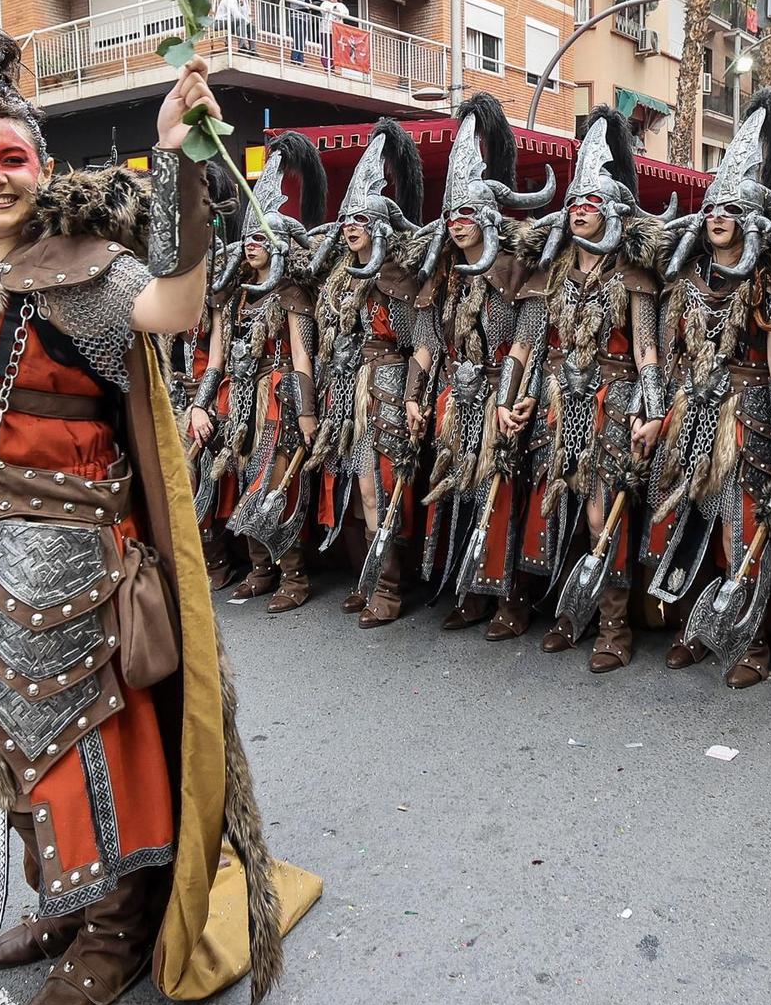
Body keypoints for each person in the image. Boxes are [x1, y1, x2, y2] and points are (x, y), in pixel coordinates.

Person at [0, 24, 306, 1005]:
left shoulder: (88, 269)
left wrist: (178, 165)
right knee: (3, 747)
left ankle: (115, 930)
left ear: (42, 167)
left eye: (11, 159)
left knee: (88, 748)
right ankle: (62, 908)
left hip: (82, 561)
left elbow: (177, 306)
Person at [644, 90, 771, 687]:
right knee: (695, 515)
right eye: (712, 207)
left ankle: (752, 643)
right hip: (696, 406)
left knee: (746, 523)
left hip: (752, 417)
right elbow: (669, 354)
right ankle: (697, 625)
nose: (717, 217)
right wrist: (655, 411)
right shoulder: (691, 275)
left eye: (730, 209)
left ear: (750, 219)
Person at [503, 107, 670, 669]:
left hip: (613, 405)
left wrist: (653, 411)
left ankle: (613, 627)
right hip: (556, 401)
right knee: (559, 505)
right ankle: (569, 612)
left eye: (592, 203)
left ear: (613, 210)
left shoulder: (632, 274)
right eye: (574, 203)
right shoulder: (549, 273)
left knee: (603, 511)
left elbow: (648, 352)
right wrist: (510, 400)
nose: (580, 211)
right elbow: (526, 345)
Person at [409, 93, 556, 638]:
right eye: (451, 214)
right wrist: (415, 396)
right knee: (464, 493)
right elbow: (427, 339)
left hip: (506, 397)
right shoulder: (444, 274)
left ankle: (513, 598)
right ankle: (470, 590)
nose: (457, 224)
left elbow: (526, 342)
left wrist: (512, 402)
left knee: (506, 492)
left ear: (490, 216)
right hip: (458, 397)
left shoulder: (520, 269)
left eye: (468, 214)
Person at [195, 134, 324, 613]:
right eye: (246, 238)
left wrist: (307, 412)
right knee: (245, 475)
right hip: (241, 397)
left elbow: (302, 356)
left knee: (274, 481)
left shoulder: (289, 292)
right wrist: (203, 401)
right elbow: (217, 356)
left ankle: (294, 574)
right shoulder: (233, 295)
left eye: (260, 238)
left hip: (280, 395)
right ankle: (259, 568)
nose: (250, 246)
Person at [306, 119, 425, 626]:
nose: (351, 225)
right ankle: (370, 577)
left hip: (387, 390)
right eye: (347, 218)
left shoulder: (395, 280)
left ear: (379, 227)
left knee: (383, 486)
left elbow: (423, 345)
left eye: (361, 218)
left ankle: (391, 589)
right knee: (360, 490)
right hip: (346, 388)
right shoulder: (337, 277)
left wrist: (414, 397)